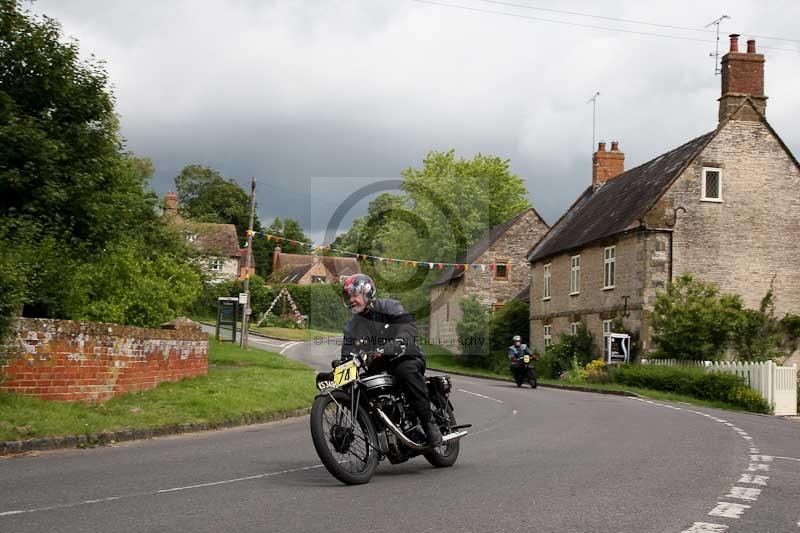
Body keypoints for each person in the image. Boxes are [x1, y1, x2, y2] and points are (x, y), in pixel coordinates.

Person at [339, 273, 442, 446]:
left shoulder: (389, 306)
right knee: (360, 387)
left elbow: (407, 326)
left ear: (368, 292)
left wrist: (398, 342)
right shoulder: (351, 327)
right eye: (348, 296)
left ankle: (428, 423)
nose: (351, 300)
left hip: (405, 356)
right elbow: (347, 353)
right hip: (379, 367)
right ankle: (378, 436)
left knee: (405, 372)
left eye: (354, 294)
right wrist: (340, 367)